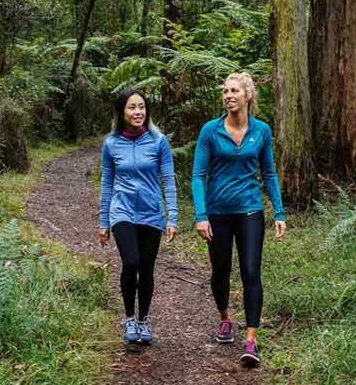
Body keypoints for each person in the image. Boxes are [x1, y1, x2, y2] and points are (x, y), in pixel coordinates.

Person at [191, 72, 286, 367]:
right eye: (225, 91)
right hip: (218, 213)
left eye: (234, 91)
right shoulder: (210, 131)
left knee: (250, 272)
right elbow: (197, 175)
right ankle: (225, 319)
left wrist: (279, 213)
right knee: (220, 272)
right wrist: (201, 215)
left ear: (248, 96)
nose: (228, 95)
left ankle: (251, 340)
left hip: (249, 211)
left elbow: (268, 173)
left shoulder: (261, 131)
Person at [99, 89, 178, 345]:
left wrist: (172, 217)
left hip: (151, 213)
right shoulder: (111, 143)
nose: (138, 112)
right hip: (121, 211)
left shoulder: (158, 141)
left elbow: (168, 180)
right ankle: (129, 318)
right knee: (130, 262)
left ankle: (143, 321)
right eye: (132, 107)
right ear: (122, 112)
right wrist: (103, 222)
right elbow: (107, 183)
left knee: (146, 268)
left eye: (141, 107)